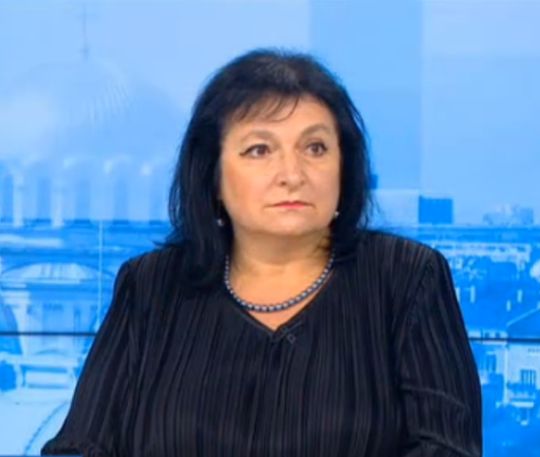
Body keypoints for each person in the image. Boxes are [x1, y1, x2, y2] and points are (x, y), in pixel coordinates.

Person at [42, 48, 482, 457]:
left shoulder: (406, 278)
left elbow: (446, 447)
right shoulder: (150, 286)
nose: (292, 174)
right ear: (212, 176)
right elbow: (81, 447)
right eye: (259, 150)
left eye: (315, 148)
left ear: (344, 168)